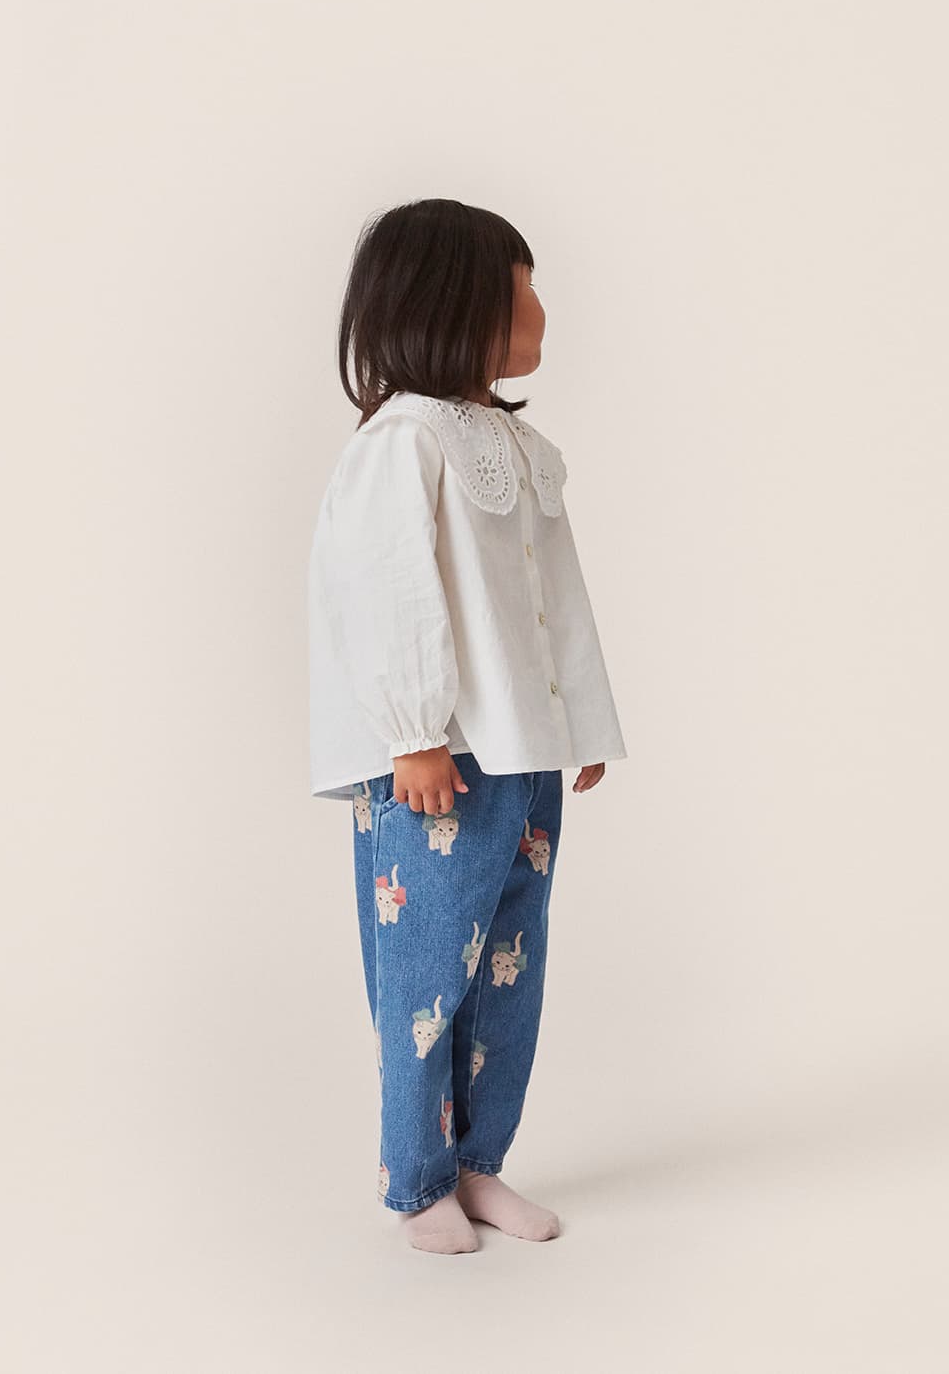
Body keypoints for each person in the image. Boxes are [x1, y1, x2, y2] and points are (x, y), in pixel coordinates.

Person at [307, 198, 629, 1254]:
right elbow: (385, 586)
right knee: (426, 972)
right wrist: (412, 732)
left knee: (509, 966)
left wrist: (580, 718)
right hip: (438, 758)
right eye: (520, 288)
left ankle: (479, 1161)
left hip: (522, 750)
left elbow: (557, 596)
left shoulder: (522, 447)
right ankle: (418, 1181)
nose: (539, 308)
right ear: (452, 303)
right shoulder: (403, 441)